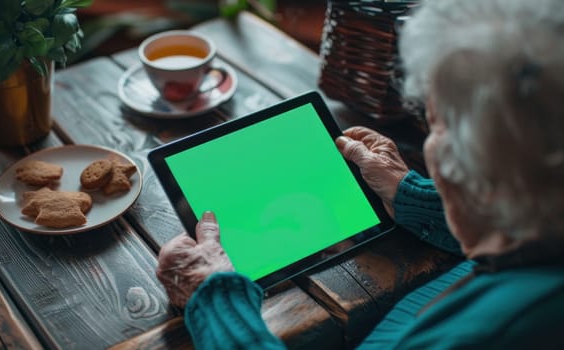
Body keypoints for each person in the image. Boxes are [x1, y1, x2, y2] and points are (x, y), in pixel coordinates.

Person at [156, 0, 564, 348]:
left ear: (487, 163)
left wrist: (212, 299)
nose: (429, 144)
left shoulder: (499, 330)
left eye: (435, 125)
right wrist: (412, 194)